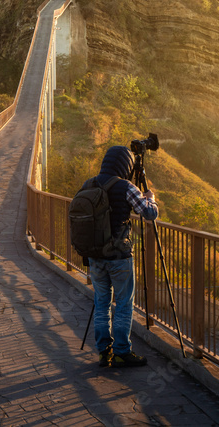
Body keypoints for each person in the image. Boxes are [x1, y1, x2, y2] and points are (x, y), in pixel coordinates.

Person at [85, 145, 158, 368]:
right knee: (124, 304)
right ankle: (122, 352)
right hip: (119, 257)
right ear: (126, 166)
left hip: (94, 256)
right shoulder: (126, 186)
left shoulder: (89, 184)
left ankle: (103, 352)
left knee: (102, 304)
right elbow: (149, 214)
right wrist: (151, 198)